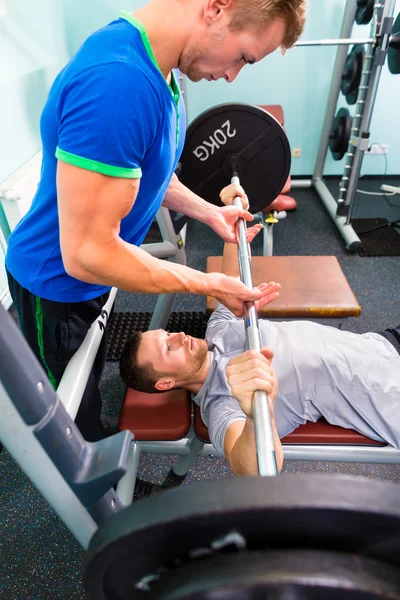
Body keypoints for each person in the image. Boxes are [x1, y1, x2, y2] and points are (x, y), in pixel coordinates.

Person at [5, 0, 306, 441]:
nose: (232, 75)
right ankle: (91, 503)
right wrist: (209, 284)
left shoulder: (159, 68)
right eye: (243, 56)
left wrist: (208, 210)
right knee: (65, 412)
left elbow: (147, 172)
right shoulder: (120, 85)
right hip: (55, 285)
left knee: (87, 372)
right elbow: (87, 255)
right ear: (217, 8)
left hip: (92, 274)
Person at [119, 243, 400, 476]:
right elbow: (253, 469)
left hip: (383, 342)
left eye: (168, 332)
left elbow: (230, 279)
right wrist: (254, 415)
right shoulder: (222, 405)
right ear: (165, 383)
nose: (179, 335)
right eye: (168, 348)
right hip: (391, 392)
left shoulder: (217, 330)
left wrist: (232, 227)